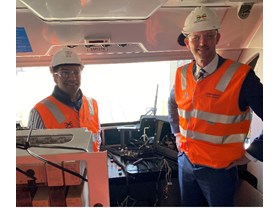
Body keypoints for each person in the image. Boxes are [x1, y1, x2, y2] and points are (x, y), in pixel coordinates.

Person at [167, 6, 263, 207]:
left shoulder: (242, 77)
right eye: (196, 37)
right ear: (187, 42)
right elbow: (171, 103)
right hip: (186, 163)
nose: (203, 43)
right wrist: (176, 133)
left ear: (217, 38)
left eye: (209, 36)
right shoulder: (181, 74)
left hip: (220, 170)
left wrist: (251, 154)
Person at [28, 48, 101, 152]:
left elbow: (97, 140)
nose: (72, 78)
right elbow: (32, 152)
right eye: (65, 73)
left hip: (93, 166)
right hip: (61, 168)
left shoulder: (93, 104)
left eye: (76, 72)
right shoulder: (39, 111)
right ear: (55, 77)